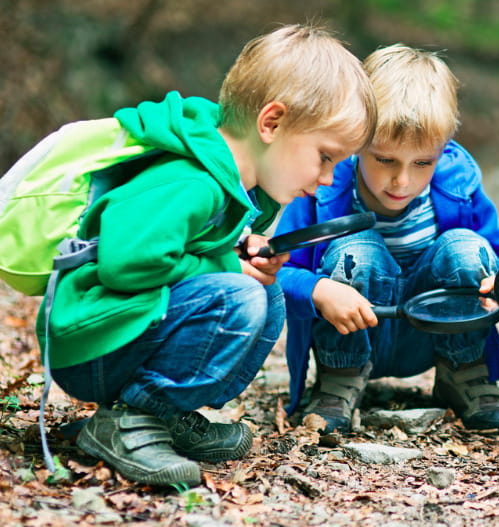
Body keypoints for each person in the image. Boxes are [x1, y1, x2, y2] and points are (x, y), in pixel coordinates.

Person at [37, 24, 377, 486]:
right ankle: (128, 421)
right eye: (325, 156)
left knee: (266, 293)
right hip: (91, 342)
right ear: (271, 123)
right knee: (239, 296)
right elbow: (127, 263)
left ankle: (160, 415)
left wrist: (237, 252)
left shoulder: (226, 183)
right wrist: (225, 266)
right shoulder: (191, 181)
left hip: (123, 332)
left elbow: (188, 252)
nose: (328, 178)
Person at [277, 44, 499, 437]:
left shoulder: (458, 185)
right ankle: (340, 379)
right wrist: (319, 289)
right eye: (385, 160)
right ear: (356, 142)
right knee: (356, 248)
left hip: (431, 332)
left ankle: (463, 372)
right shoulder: (324, 189)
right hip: (353, 329)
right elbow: (279, 274)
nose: (402, 181)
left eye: (423, 162)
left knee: (466, 247)